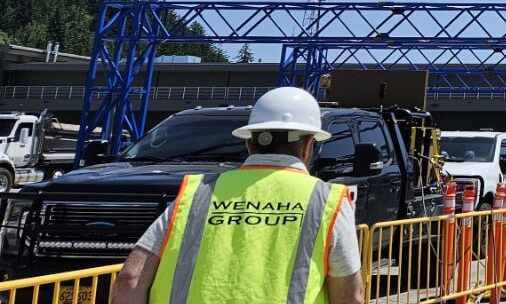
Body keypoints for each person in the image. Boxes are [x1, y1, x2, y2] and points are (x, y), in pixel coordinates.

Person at [110, 87, 364, 304]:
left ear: (249, 143)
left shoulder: (195, 194)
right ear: (309, 145)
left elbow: (130, 279)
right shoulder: (326, 200)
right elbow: (349, 296)